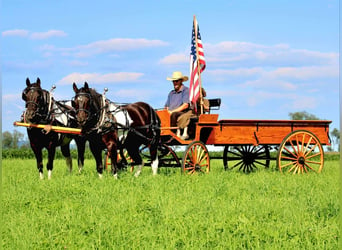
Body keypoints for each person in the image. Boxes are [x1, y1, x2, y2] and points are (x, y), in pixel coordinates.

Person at [165, 71, 192, 139]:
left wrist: (172, 112)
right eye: (173, 81)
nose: (175, 83)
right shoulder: (171, 93)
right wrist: (166, 111)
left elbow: (185, 105)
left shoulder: (186, 90)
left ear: (181, 81)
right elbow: (166, 106)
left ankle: (173, 133)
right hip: (171, 113)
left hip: (183, 112)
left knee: (174, 114)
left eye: (176, 81)